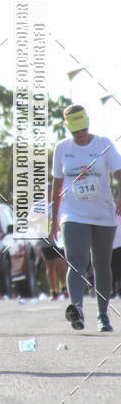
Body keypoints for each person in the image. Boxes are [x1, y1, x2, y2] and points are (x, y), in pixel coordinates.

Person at [50, 105, 121, 332]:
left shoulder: (103, 144)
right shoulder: (62, 148)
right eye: (75, 131)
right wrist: (54, 220)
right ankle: (77, 310)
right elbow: (57, 185)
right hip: (73, 213)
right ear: (68, 129)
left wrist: (120, 196)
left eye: (83, 129)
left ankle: (103, 315)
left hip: (102, 213)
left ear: (88, 125)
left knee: (101, 264)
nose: (80, 135)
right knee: (76, 259)